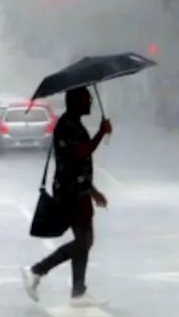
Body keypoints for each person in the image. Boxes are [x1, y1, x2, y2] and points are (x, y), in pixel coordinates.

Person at [22, 87, 112, 306]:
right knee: (84, 241)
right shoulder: (66, 125)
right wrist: (101, 133)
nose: (90, 101)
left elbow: (78, 165)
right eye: (86, 98)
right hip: (70, 193)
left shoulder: (74, 123)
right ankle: (36, 270)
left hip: (79, 191)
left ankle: (78, 292)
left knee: (85, 240)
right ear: (75, 101)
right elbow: (81, 152)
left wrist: (92, 191)